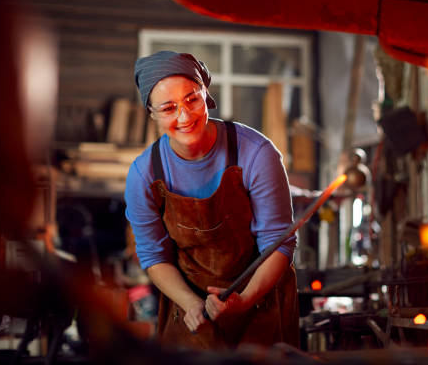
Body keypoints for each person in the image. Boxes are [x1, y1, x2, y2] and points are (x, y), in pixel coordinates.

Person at [125, 51, 299, 349]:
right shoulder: (144, 174)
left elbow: (278, 241)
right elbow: (154, 256)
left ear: (206, 93)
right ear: (152, 114)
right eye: (168, 108)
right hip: (191, 309)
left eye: (192, 99)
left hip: (261, 301)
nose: (184, 116)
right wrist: (191, 304)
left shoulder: (256, 154)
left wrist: (245, 300)